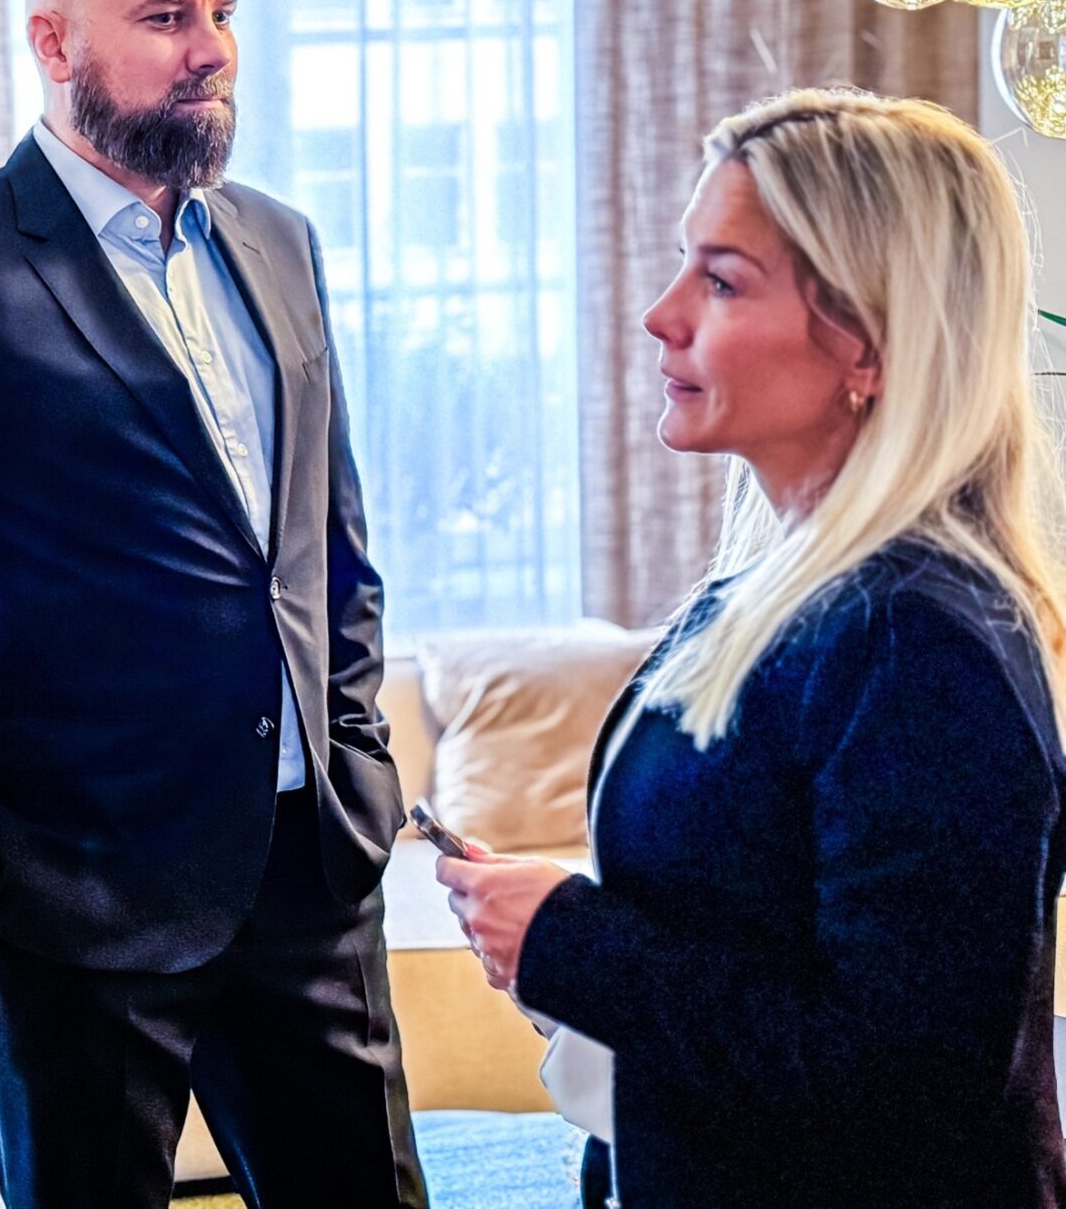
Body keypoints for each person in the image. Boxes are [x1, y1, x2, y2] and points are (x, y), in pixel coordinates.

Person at [0, 0, 428, 1209]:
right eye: (165, 18)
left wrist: (358, 766)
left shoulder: (280, 244)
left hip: (309, 880)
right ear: (54, 42)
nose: (211, 50)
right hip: (75, 919)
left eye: (222, 15)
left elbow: (326, 551)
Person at [437, 88, 1066, 1208]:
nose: (659, 314)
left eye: (721, 281)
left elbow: (905, 1091)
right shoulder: (773, 595)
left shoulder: (915, 645)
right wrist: (566, 955)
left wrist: (573, 946)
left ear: (868, 344)